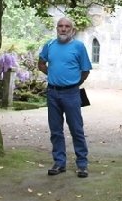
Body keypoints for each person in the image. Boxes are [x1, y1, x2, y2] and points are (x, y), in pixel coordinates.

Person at [38, 17, 92, 178]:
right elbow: (41, 64)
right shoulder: (49, 45)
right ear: (57, 28)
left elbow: (85, 70)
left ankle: (82, 164)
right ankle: (59, 162)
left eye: (67, 26)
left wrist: (74, 83)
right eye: (60, 26)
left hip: (71, 93)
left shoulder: (79, 47)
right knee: (55, 130)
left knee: (76, 129)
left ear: (72, 30)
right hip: (52, 93)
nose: (63, 29)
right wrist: (53, 75)